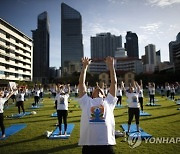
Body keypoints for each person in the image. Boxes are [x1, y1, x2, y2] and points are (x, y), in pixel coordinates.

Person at [78, 56, 118, 154]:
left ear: (104, 95)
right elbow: (81, 83)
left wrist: (111, 67)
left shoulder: (108, 102)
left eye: (100, 89)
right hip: (89, 145)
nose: (98, 88)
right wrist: (85, 67)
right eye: (96, 88)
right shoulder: (86, 101)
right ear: (91, 95)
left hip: (106, 144)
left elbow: (114, 83)